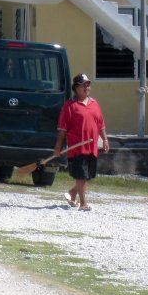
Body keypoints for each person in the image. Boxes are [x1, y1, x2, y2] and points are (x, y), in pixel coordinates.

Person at [54, 73, 109, 211]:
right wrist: (58, 146)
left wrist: (105, 139)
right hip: (77, 148)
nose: (87, 87)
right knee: (81, 175)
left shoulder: (94, 104)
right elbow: (62, 129)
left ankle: (72, 193)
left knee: (87, 175)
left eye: (88, 84)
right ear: (76, 88)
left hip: (92, 147)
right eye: (84, 85)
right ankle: (83, 204)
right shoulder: (70, 105)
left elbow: (100, 124)